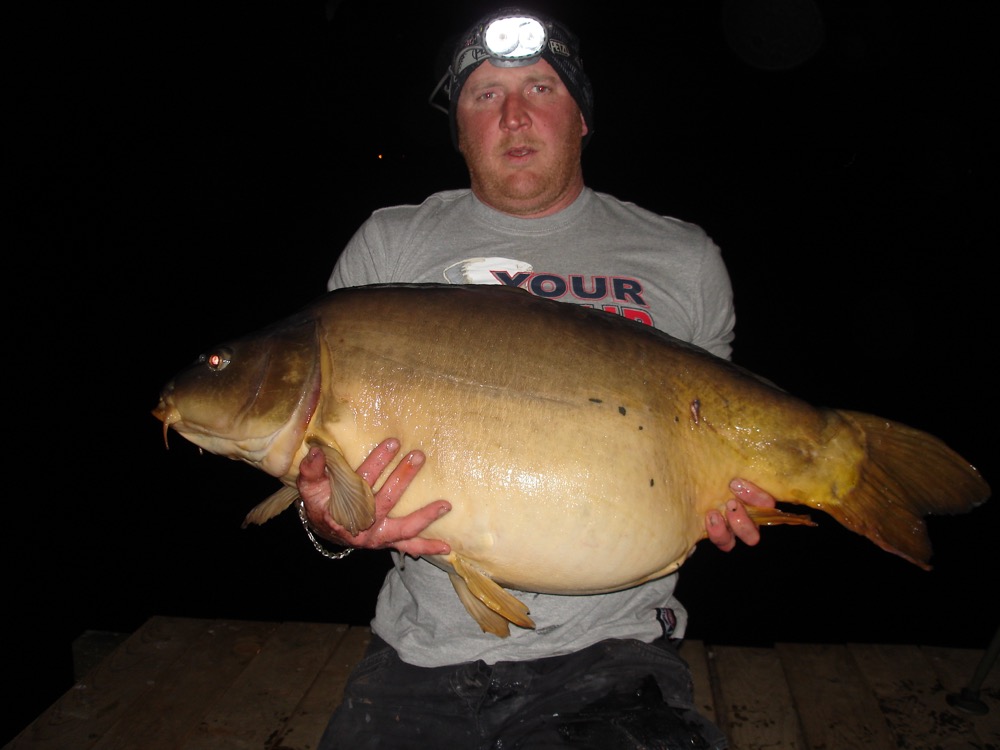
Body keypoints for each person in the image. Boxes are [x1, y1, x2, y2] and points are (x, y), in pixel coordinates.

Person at [296, 7, 775, 748]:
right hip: (420, 653)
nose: (514, 115)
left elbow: (715, 437)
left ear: (581, 116)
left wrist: (733, 495)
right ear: (458, 129)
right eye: (485, 96)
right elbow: (325, 505)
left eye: (541, 88)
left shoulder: (683, 261)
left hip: (614, 660)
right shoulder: (387, 251)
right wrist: (329, 521)